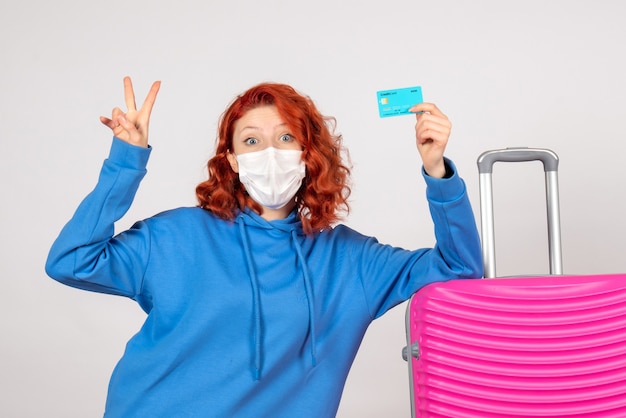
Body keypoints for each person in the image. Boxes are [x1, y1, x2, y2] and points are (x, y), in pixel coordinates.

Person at [45, 76, 483, 417]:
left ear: (308, 153)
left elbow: (460, 268)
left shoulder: (351, 262)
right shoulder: (175, 236)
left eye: (286, 138)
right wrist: (126, 162)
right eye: (251, 140)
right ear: (232, 161)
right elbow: (71, 261)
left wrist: (437, 169)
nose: (270, 152)